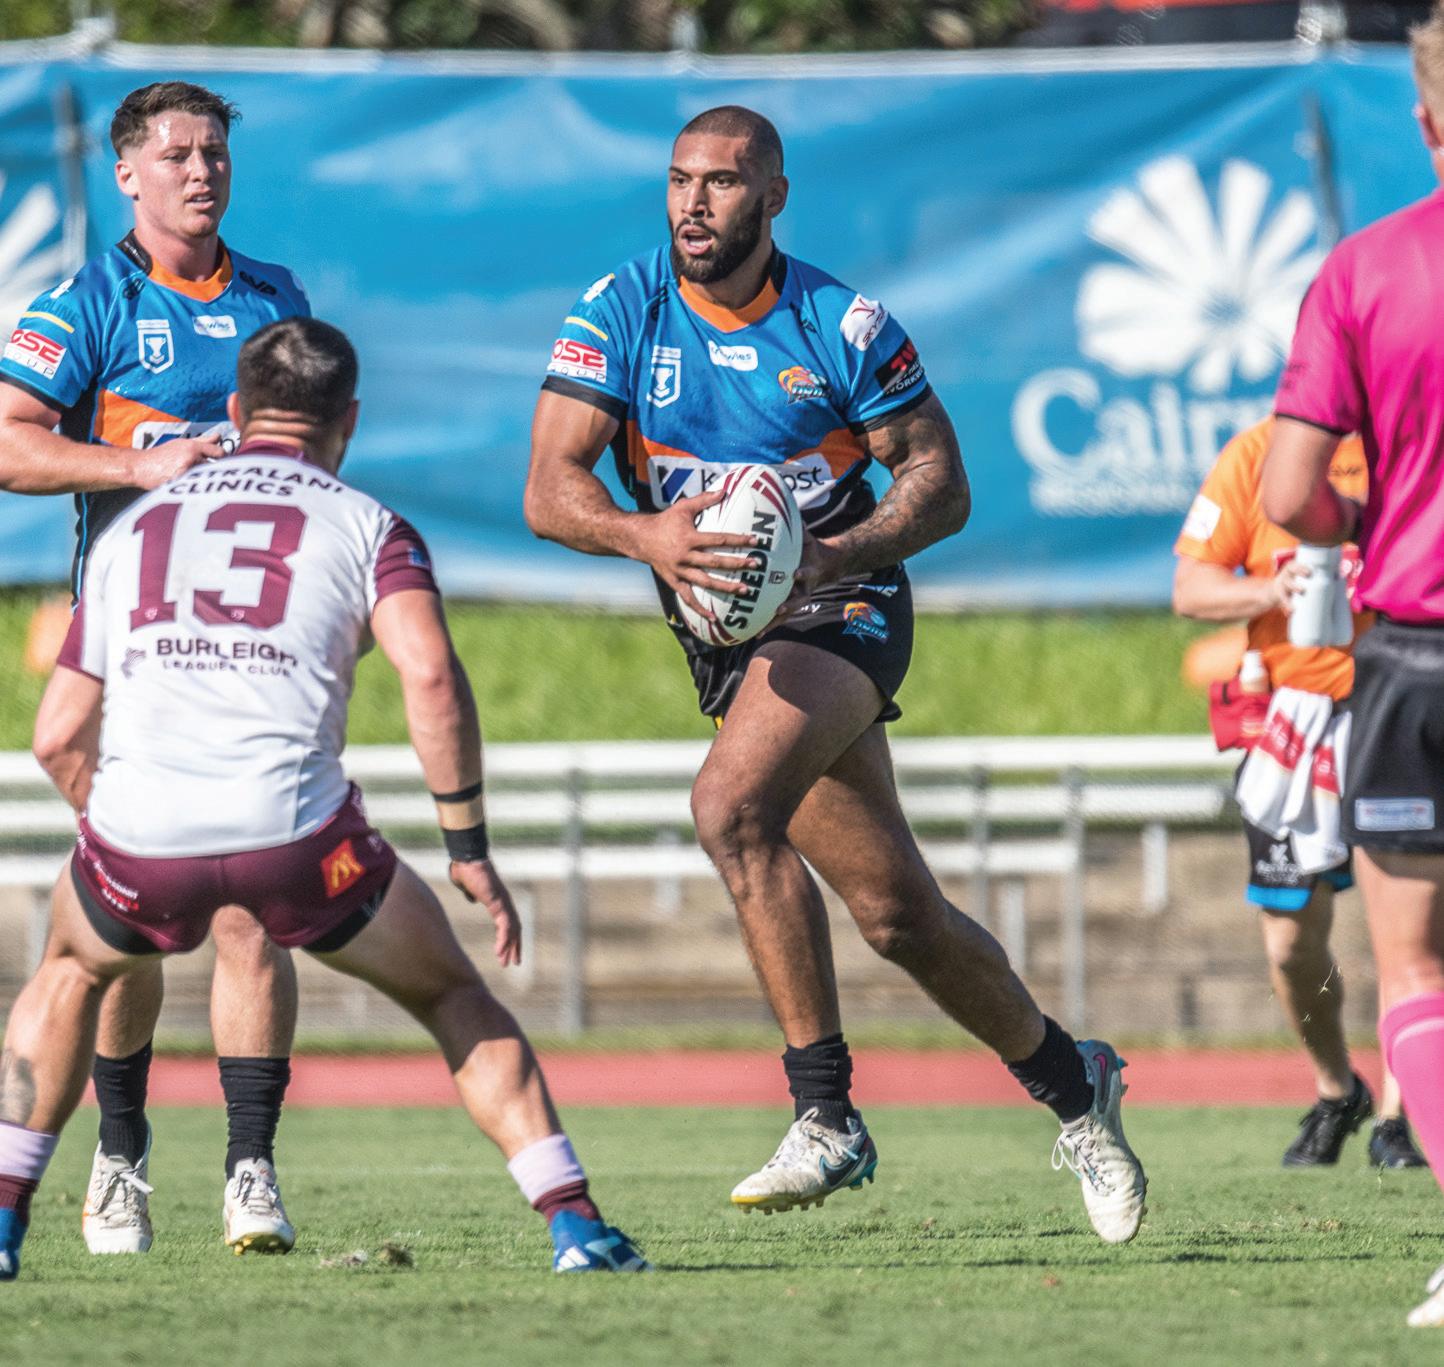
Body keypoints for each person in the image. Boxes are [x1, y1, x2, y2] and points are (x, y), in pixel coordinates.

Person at [524, 105, 1147, 1240]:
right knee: (897, 914)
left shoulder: (840, 325)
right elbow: (549, 489)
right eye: (680, 180)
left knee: (729, 808)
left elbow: (941, 484)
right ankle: (1076, 1082)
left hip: (843, 602)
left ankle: (825, 1112)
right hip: (729, 638)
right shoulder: (621, 309)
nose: (693, 203)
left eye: (722, 182)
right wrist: (644, 534)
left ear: (773, 197)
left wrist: (834, 553)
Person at [0, 317, 649, 1281]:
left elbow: (57, 734)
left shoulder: (132, 530)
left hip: (143, 833)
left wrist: (123, 832)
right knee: (450, 994)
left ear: (235, 411)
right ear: (349, 420)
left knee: (66, 972)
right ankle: (575, 1223)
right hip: (300, 838)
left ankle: (5, 1218)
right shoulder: (368, 526)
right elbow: (431, 677)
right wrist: (467, 846)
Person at [0, 81, 308, 1256]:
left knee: (251, 908)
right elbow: (8, 439)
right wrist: (138, 467)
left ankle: (250, 1169)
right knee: (132, 910)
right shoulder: (89, 302)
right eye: (176, 153)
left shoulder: (276, 300)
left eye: (215, 150)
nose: (201, 169)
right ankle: (120, 1153)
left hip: (251, 652)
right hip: (131, 655)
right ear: (126, 174)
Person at [1262, 8, 1444, 1326]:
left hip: (1413, 656)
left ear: (1425, 120)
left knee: (1415, 967)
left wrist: (1360, 523)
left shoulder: (1365, 270)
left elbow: (1287, 494)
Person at [1174, 417, 1425, 1169]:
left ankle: (1399, 1117)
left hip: (1392, 710)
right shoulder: (1256, 454)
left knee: (1410, 933)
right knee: (1290, 942)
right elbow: (1191, 587)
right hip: (1291, 726)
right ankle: (1336, 1088)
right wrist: (1270, 589)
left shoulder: (1409, 441)